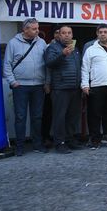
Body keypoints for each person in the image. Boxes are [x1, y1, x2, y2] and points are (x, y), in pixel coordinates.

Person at [3, 18, 49, 156]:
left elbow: (47, 64)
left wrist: (46, 82)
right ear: (25, 29)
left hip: (38, 86)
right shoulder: (13, 43)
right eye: (34, 29)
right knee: (20, 116)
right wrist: (12, 81)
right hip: (20, 86)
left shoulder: (41, 42)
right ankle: (20, 146)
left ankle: (37, 144)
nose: (37, 31)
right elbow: (7, 64)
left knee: (37, 117)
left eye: (37, 28)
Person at [44, 24, 82, 154]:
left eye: (69, 33)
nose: (67, 35)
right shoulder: (53, 48)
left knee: (72, 116)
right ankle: (59, 143)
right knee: (59, 117)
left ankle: (70, 140)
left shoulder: (75, 49)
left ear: (72, 35)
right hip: (60, 88)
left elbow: (79, 67)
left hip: (74, 88)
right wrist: (62, 54)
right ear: (59, 35)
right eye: (64, 33)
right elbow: (49, 63)